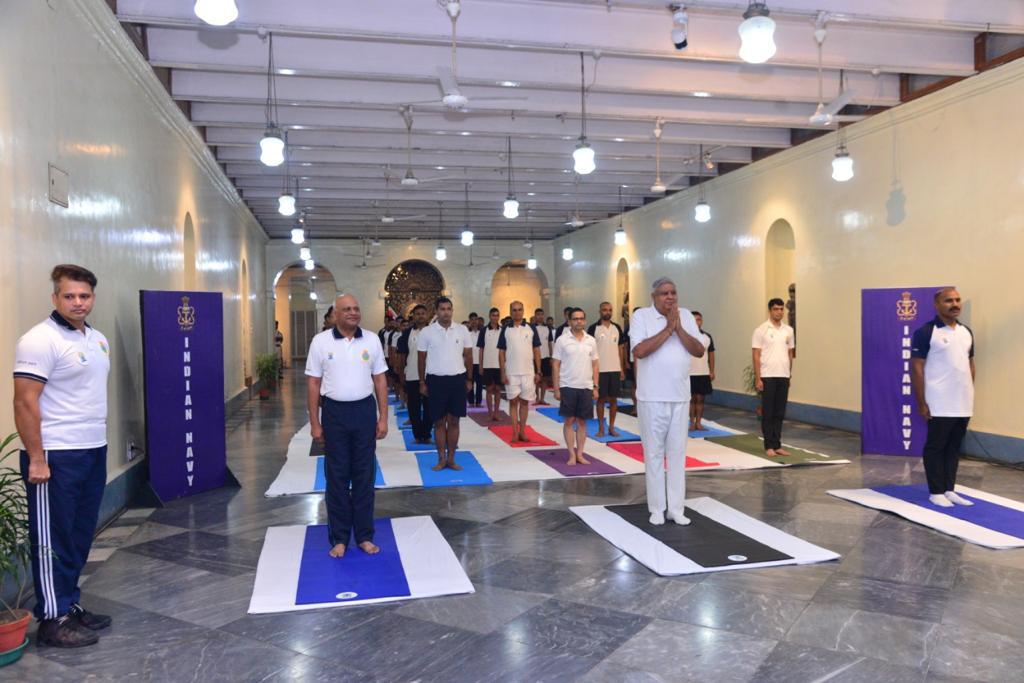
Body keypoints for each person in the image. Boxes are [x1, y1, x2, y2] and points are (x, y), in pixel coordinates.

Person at [14, 264, 112, 647]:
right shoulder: (39, 340)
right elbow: (24, 402)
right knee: (52, 539)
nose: (77, 302)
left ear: (92, 297)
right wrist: (37, 458)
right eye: (69, 296)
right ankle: (52, 619)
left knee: (78, 533)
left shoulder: (96, 339)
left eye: (84, 296)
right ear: (55, 297)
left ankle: (68, 605)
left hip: (92, 448)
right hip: (55, 454)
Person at [306, 294, 389, 559]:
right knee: (337, 477)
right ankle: (340, 538)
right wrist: (315, 423)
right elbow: (313, 384)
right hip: (334, 413)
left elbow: (380, 381)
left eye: (356, 308)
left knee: (365, 475)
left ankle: (364, 536)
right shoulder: (321, 342)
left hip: (364, 412)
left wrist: (383, 416)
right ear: (335, 314)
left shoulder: (372, 340)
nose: (353, 313)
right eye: (347, 309)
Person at [630, 277, 705, 526]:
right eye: (664, 293)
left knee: (677, 454)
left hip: (680, 396)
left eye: (673, 292)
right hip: (651, 398)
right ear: (654, 297)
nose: (670, 297)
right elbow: (639, 351)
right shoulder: (641, 316)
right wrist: (667, 330)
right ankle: (656, 508)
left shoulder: (684, 315)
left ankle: (676, 508)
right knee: (653, 454)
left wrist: (679, 328)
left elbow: (698, 350)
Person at [911, 288, 976, 508]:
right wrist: (921, 402)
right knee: (936, 446)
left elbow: (970, 364)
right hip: (939, 400)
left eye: (958, 300)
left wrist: (968, 389)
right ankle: (935, 491)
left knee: (954, 447)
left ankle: (949, 489)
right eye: (949, 301)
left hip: (963, 401)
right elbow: (917, 368)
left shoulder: (966, 332)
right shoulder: (926, 332)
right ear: (937, 304)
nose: (955, 304)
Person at [418, 297, 473, 470]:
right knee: (439, 422)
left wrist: (469, 379)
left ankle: (451, 458)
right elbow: (421, 359)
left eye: (449, 308)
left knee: (454, 420)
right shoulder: (427, 332)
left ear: (452, 310)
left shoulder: (462, 330)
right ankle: (441, 458)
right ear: (436, 311)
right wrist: (422, 382)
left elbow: (469, 356)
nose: (446, 312)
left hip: (457, 379)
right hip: (435, 380)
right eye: (442, 309)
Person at [552, 308, 599, 466]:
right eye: (575, 319)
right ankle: (571, 454)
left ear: (584, 320)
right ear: (569, 321)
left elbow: (595, 364)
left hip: (585, 386)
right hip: (568, 385)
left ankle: (580, 453)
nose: (578, 321)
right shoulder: (562, 340)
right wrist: (556, 387)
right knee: (569, 420)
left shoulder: (591, 340)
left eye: (581, 318)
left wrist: (595, 386)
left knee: (582, 422)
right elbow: (555, 365)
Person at [752, 298, 795, 457]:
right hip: (768, 376)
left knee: (779, 412)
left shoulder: (788, 330)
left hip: (783, 376)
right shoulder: (761, 330)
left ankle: (777, 445)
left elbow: (790, 353)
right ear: (770, 311)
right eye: (776, 309)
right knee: (768, 412)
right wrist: (758, 378)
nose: (779, 312)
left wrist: (789, 374)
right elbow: (756, 355)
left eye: (781, 309)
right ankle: (768, 445)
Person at [498, 301, 542, 442]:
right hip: (511, 372)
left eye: (520, 310)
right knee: (513, 402)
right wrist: (502, 372)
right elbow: (501, 352)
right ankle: (514, 432)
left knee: (524, 403)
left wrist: (538, 371)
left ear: (523, 311)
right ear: (510, 312)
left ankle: (523, 431)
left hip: (528, 372)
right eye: (514, 310)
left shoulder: (531, 328)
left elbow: (536, 350)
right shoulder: (505, 329)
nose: (517, 312)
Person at [588, 301, 627, 437]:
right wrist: (591, 371)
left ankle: (611, 427)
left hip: (614, 369)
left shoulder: (617, 328)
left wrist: (621, 368)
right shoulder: (593, 328)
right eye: (604, 310)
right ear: (600, 311)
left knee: (613, 400)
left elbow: (620, 349)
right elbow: (589, 352)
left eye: (610, 310)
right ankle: (600, 427)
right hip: (600, 370)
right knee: (600, 399)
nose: (607, 312)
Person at [396, 305, 432, 444]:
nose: (420, 316)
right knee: (414, 407)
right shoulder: (407, 333)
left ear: (427, 315)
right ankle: (417, 435)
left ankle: (427, 434)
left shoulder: (434, 332)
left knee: (429, 407)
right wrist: (401, 374)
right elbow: (402, 355)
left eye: (423, 313)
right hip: (412, 374)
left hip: (431, 375)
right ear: (413, 316)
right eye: (417, 313)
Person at [689, 311, 716, 432]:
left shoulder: (707, 337)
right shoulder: (685, 337)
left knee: (700, 399)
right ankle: (691, 423)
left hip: (703, 372)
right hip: (688, 373)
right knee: (690, 399)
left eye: (699, 319)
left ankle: (699, 422)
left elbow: (711, 354)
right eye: (694, 320)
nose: (697, 322)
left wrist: (712, 370)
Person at [477, 308, 503, 422]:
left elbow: (505, 349)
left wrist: (504, 366)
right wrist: (480, 365)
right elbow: (481, 349)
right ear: (489, 316)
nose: (495, 317)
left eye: (497, 315)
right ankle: (490, 413)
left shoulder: (503, 330)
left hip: (499, 365)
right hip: (487, 365)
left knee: (498, 389)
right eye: (493, 315)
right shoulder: (483, 330)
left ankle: (497, 413)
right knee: (489, 389)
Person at [533, 308, 553, 405]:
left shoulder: (547, 328)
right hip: (534, 357)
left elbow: (550, 342)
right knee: (536, 378)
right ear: (535, 316)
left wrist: (551, 356)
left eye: (542, 314)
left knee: (544, 379)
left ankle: (542, 398)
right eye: (538, 314)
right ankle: (536, 398)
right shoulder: (532, 328)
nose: (540, 316)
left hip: (545, 356)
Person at [466, 314, 484, 407]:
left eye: (475, 319)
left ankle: (478, 402)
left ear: (478, 321)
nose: (474, 321)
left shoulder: (482, 333)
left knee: (480, 384)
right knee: (470, 383)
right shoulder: (466, 334)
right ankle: (471, 401)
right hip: (470, 363)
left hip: (480, 363)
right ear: (469, 321)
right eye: (472, 320)